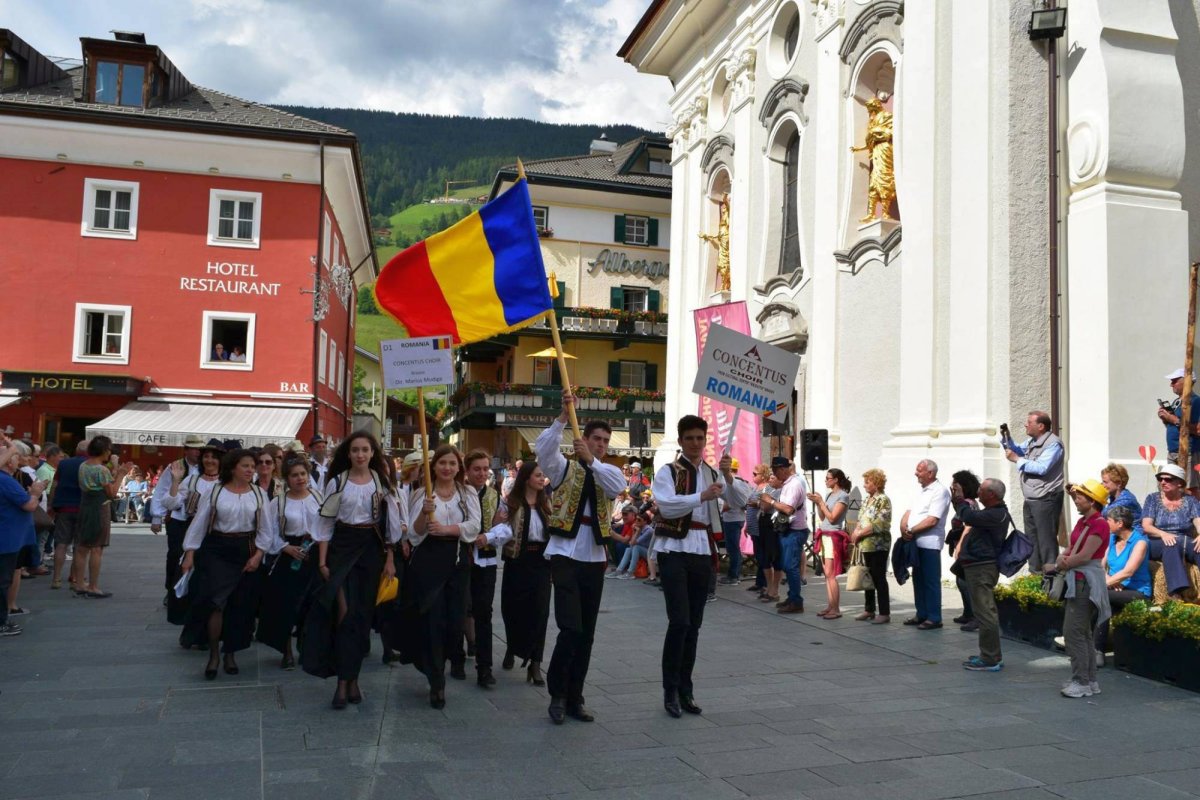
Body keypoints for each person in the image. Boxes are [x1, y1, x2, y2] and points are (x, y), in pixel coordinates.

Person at [535, 393, 625, 725]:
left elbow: (618, 486)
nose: (601, 444)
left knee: (586, 631)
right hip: (564, 552)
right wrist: (562, 415)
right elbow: (543, 451)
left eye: (604, 441)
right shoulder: (564, 468)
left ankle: (576, 695)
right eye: (595, 440)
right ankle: (558, 694)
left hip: (594, 555)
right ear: (583, 439)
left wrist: (593, 461)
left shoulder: (606, 472)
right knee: (570, 627)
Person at [652, 414, 748, 717]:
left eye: (700, 438)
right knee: (679, 620)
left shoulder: (712, 472)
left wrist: (728, 478)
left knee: (694, 624)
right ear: (680, 441)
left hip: (702, 549)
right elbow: (665, 504)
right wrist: (701, 496)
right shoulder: (668, 471)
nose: (695, 443)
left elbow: (741, 501)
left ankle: (685, 689)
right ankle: (670, 689)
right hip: (674, 548)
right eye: (690, 438)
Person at [302, 431, 401, 709]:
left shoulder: (381, 482)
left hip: (370, 551)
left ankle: (351, 679)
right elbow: (325, 524)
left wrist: (390, 559)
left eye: (365, 450)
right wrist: (322, 562)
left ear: (372, 454)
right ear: (349, 453)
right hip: (342, 550)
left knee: (361, 617)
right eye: (355, 450)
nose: (360, 454)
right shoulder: (337, 481)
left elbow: (391, 524)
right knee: (344, 614)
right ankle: (342, 682)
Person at [179, 447, 273, 679]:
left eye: (253, 466)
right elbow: (199, 523)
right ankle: (214, 654)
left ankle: (230, 652)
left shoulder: (259, 494)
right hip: (217, 550)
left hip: (246, 550)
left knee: (239, 606)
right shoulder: (216, 491)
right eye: (246, 466)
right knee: (216, 603)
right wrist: (189, 553)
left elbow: (266, 529)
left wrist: (258, 555)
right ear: (232, 468)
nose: (252, 470)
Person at [402, 445, 481, 708]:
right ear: (433, 466)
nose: (447, 468)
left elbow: (474, 526)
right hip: (428, 566)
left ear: (459, 468)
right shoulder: (422, 494)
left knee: (454, 624)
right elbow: (414, 535)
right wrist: (426, 515)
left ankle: (442, 665)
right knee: (433, 622)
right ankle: (437, 681)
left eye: (452, 463)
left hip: (457, 565)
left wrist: (447, 528)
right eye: (442, 463)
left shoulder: (466, 493)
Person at [257, 456, 323, 670]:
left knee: (310, 603)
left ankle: (306, 646)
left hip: (313, 553)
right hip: (289, 554)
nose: (300, 478)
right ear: (286, 479)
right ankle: (286, 650)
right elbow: (269, 531)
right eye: (294, 475)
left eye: (303, 474)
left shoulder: (318, 497)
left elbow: (327, 525)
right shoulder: (279, 502)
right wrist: (286, 547)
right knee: (285, 605)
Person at [498, 461, 553, 684]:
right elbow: (499, 528)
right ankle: (512, 647)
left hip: (541, 561)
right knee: (512, 609)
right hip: (518, 560)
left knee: (540, 612)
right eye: (538, 475)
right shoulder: (511, 502)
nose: (542, 479)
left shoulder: (546, 503)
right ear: (527, 478)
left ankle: (536, 664)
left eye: (543, 476)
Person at [1057, 480, 1111, 698]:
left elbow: (1085, 555)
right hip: (1078, 580)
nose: (1076, 500)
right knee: (1083, 633)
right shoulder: (1085, 521)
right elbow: (1074, 548)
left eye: (1080, 497)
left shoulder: (1099, 524)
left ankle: (1081, 681)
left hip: (1085, 581)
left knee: (1073, 633)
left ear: (1092, 501)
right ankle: (1089, 680)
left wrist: (1061, 563)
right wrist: (1072, 492)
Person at [951, 478, 1010, 672]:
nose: (978, 492)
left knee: (985, 614)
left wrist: (959, 499)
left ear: (992, 494)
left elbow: (968, 516)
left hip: (982, 568)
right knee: (983, 612)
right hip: (978, 566)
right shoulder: (993, 512)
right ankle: (990, 654)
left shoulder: (996, 514)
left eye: (982, 490)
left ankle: (990, 658)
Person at [1004, 411, 1065, 572]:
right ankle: (1035, 577)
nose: (1026, 424)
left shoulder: (1053, 444)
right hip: (1031, 498)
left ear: (1041, 426)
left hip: (1046, 498)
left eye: (1029, 422)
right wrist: (1007, 439)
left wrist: (1017, 459)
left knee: (1046, 541)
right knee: (1032, 540)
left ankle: (1050, 579)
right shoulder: (1033, 441)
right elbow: (1018, 450)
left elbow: (1042, 468)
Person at [463, 448, 503, 688]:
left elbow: (504, 527)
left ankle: (484, 667)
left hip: (486, 559)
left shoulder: (494, 495)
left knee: (484, 613)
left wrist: (489, 536)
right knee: (459, 609)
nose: (481, 473)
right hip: (461, 559)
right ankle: (456, 658)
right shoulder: (458, 492)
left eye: (484, 468)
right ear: (467, 470)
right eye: (476, 469)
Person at [74, 436, 133, 598]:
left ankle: (79, 583)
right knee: (97, 548)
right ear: (105, 450)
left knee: (81, 547)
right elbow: (113, 493)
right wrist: (121, 474)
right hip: (99, 508)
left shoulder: (83, 466)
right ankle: (93, 586)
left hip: (85, 506)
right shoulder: (101, 470)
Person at [150, 434, 204, 605]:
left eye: (200, 449)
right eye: (194, 448)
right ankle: (170, 590)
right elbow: (161, 490)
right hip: (178, 517)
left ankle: (191, 590)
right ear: (186, 450)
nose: (198, 452)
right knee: (175, 555)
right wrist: (156, 516)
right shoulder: (175, 466)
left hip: (198, 519)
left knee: (197, 555)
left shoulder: (207, 467)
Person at [0, 439, 46, 636]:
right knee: (2, 582)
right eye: (16, 456)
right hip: (6, 539)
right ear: (9, 461)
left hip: (9, 537)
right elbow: (29, 505)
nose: (20, 460)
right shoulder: (5, 480)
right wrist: (35, 493)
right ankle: (1, 621)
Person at [899, 459, 951, 629]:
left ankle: (934, 617)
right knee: (918, 580)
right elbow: (908, 511)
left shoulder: (940, 491)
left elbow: (932, 520)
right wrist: (903, 526)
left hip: (929, 543)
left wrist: (911, 530)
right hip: (915, 542)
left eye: (919, 470)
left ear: (930, 473)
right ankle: (921, 613)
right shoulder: (920, 491)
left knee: (930, 581)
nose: (916, 473)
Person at [1095, 504, 1151, 658]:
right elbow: (1099, 564)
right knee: (1104, 604)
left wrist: (1106, 583)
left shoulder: (1140, 543)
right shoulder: (1111, 539)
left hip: (1137, 592)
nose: (1106, 523)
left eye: (1109, 520)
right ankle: (1094, 648)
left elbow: (1129, 571)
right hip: (1114, 589)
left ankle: (1095, 649)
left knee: (1100, 595)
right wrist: (1109, 580)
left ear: (1120, 523)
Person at [758, 456, 809, 614]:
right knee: (788, 565)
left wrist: (771, 501)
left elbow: (788, 509)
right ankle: (792, 598)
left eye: (774, 471)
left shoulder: (793, 485)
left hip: (795, 531)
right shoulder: (788, 484)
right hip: (789, 530)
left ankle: (796, 601)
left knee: (790, 567)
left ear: (782, 469)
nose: (774, 474)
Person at [1142, 463, 1200, 598]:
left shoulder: (1191, 501)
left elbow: (1198, 521)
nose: (1163, 482)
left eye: (1168, 479)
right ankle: (1176, 593)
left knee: (1198, 546)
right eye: (1160, 479)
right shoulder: (1152, 499)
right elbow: (1147, 526)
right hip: (1157, 541)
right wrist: (1163, 534)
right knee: (1171, 544)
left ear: (1179, 483)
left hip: (1183, 541)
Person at [849, 468, 892, 623]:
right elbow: (860, 518)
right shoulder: (867, 499)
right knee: (867, 576)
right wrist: (855, 532)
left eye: (868, 482)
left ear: (877, 483)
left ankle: (884, 613)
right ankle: (869, 609)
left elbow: (881, 523)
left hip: (878, 545)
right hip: (865, 545)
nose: (865, 485)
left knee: (878, 577)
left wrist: (859, 533)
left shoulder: (883, 500)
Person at [809, 469, 851, 619]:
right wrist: (818, 503)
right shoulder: (829, 495)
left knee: (831, 574)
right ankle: (830, 605)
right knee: (827, 574)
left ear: (836, 480)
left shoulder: (843, 496)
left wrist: (821, 502)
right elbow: (823, 516)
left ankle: (836, 609)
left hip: (833, 535)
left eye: (828, 478)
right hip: (824, 534)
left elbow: (833, 518)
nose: (826, 481)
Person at [47, 441, 87, 590]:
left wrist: (51, 504)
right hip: (82, 509)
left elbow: (55, 484)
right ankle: (75, 577)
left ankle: (56, 579)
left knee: (61, 544)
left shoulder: (63, 464)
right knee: (79, 546)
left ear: (76, 450)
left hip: (64, 508)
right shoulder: (90, 464)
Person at [947, 470, 981, 630]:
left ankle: (975, 616)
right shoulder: (966, 502)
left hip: (967, 546)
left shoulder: (968, 504)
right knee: (961, 580)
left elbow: (969, 526)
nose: (953, 488)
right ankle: (968, 613)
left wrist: (959, 546)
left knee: (965, 581)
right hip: (964, 545)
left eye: (956, 485)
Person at [1158, 368, 1200, 492]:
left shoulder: (1196, 401)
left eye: (1174, 381)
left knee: (1190, 488)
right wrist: (1166, 419)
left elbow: (1198, 430)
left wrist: (1172, 419)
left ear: (1186, 382)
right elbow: (1176, 427)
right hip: (1173, 450)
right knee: (1173, 487)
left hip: (1189, 451)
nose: (1171, 384)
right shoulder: (1177, 402)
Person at [718, 458, 751, 586]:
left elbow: (734, 502)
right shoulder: (743, 482)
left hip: (732, 519)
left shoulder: (734, 482)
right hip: (736, 519)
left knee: (733, 549)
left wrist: (721, 509)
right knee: (733, 548)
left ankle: (733, 576)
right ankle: (734, 574)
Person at [742, 464, 770, 595]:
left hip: (761, 526)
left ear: (763, 475)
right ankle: (759, 582)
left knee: (762, 555)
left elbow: (766, 505)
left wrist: (756, 504)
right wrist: (748, 525)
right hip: (754, 526)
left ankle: (764, 583)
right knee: (758, 555)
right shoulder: (756, 488)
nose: (753, 476)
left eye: (755, 474)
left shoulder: (766, 488)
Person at [606, 506, 639, 577]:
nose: (623, 517)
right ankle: (619, 566)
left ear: (633, 515)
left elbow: (625, 541)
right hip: (629, 545)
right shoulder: (627, 523)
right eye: (623, 514)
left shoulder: (635, 524)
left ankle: (622, 567)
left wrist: (610, 532)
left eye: (626, 514)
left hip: (635, 546)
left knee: (619, 545)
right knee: (611, 540)